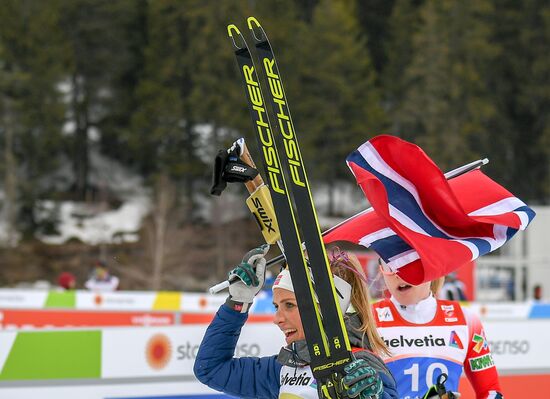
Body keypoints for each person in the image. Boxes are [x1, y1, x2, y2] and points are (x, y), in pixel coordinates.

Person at [194, 245, 398, 399]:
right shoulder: (285, 367)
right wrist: (238, 302)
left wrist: (378, 395)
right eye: (276, 306)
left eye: (289, 305)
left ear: (326, 308)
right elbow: (211, 369)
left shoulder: (358, 365)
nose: (277, 319)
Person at [373, 259, 503, 399]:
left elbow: (491, 392)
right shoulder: (366, 320)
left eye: (408, 261)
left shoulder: (466, 320)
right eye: (389, 265)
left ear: (429, 264)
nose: (397, 273)